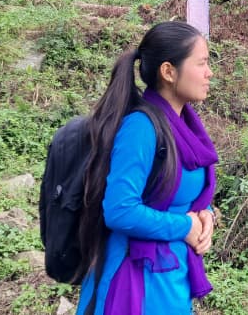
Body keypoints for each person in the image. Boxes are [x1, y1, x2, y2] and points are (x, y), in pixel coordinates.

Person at [75, 21, 218, 314]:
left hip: (172, 277)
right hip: (135, 281)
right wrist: (185, 226)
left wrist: (206, 216)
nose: (209, 72)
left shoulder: (186, 127)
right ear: (168, 71)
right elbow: (120, 210)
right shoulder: (141, 128)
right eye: (201, 63)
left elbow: (183, 197)